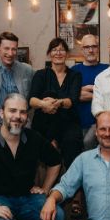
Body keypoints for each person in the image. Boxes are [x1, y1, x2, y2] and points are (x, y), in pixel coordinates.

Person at [28, 37, 83, 171]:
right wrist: (43, 104)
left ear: (67, 54)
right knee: (33, 142)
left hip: (68, 121)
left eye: (62, 50)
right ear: (49, 54)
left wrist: (55, 103)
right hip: (44, 122)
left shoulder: (75, 75)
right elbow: (31, 100)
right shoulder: (41, 75)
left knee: (72, 140)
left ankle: (73, 181)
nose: (58, 53)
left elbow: (73, 100)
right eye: (54, 50)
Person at [71, 34, 109, 218]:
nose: (91, 50)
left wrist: (86, 90)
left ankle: (93, 195)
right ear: (82, 50)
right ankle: (79, 193)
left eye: (94, 46)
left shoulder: (107, 69)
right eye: (87, 47)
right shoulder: (74, 70)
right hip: (77, 125)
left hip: (101, 127)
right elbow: (71, 97)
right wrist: (98, 91)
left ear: (98, 48)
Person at [0, 31, 36, 126]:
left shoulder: (26, 69)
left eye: (14, 49)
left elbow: (42, 80)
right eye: (6, 48)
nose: (10, 53)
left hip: (21, 125)